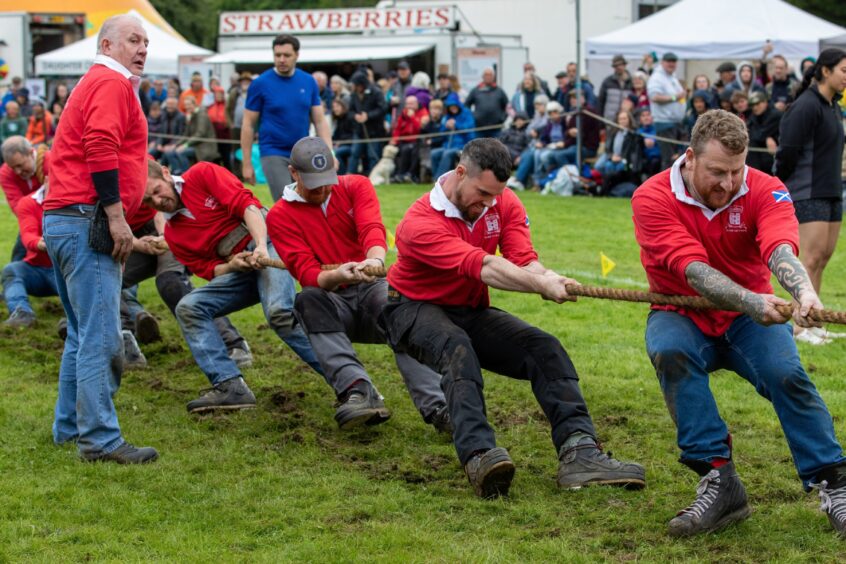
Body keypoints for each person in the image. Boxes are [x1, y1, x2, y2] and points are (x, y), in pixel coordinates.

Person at [381, 138, 646, 498]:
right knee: (456, 348)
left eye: (496, 195)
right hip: (411, 307)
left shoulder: (502, 200)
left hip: (467, 307)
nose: (490, 203)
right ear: (460, 173)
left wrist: (548, 277)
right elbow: (486, 267)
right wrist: (539, 285)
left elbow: (523, 258)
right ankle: (479, 456)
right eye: (482, 193)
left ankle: (580, 452)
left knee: (543, 347)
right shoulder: (419, 223)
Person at [632, 109, 846, 537]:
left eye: (736, 170)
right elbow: (691, 270)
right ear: (689, 157)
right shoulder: (651, 197)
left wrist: (803, 291)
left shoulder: (766, 189)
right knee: (670, 352)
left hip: (752, 320)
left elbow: (780, 249)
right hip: (683, 313)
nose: (728, 183)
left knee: (785, 374)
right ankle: (719, 481)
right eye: (716, 171)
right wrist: (750, 300)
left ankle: (836, 483)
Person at [266, 137, 450, 431]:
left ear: (335, 166)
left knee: (397, 308)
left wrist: (374, 261)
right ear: (294, 173)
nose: (324, 189)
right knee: (307, 300)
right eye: (314, 183)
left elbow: (372, 229)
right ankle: (358, 391)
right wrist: (340, 275)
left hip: (372, 285)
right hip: (333, 298)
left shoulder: (356, 186)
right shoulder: (279, 216)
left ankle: (440, 407)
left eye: (327, 180)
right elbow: (307, 273)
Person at [42, 14, 158, 464]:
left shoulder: (98, 81)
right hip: (84, 218)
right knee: (101, 338)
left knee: (80, 333)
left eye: (146, 41)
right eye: (133, 39)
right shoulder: (111, 83)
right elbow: (100, 146)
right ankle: (100, 439)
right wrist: (115, 216)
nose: (142, 48)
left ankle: (69, 428)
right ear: (107, 45)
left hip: (64, 217)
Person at [142, 159, 322, 412]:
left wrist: (259, 246)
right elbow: (210, 270)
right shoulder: (173, 234)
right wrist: (233, 265)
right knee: (189, 307)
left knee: (280, 313)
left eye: (157, 191)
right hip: (242, 267)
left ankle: (350, 383)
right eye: (149, 201)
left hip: (271, 242)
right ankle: (230, 386)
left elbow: (247, 206)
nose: (157, 202)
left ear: (166, 173)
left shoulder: (202, 174)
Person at [120, 200, 254, 371]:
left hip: (165, 227)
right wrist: (139, 245)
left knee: (171, 283)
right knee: (104, 280)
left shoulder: (134, 174)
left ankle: (231, 343)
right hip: (126, 237)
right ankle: (125, 346)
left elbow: (159, 201)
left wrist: (163, 236)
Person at [774, 48, 846, 345]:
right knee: (809, 260)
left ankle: (814, 323)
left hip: (831, 191)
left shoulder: (832, 106)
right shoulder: (806, 105)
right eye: (844, 70)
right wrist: (785, 184)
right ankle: (799, 328)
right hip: (807, 191)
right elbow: (787, 150)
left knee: (822, 259)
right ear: (825, 70)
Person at [240, 34, 332, 201]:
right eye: (277, 55)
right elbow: (248, 124)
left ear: (297, 55)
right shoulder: (260, 83)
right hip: (272, 151)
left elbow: (319, 120)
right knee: (286, 201)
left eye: (287, 55)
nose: (281, 59)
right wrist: (247, 163)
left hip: (303, 152)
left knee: (311, 199)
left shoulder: (308, 81)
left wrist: (330, 151)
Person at [2, 186, 58, 327]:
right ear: (45, 178)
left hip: (65, 270)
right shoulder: (28, 202)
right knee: (12, 270)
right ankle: (22, 313)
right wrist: (39, 243)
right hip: (36, 269)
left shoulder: (76, 201)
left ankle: (75, 322)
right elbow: (27, 235)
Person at [647, 52, 686, 170]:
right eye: (668, 61)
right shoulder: (657, 77)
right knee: (669, 160)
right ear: (662, 62)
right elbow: (654, 97)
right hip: (665, 124)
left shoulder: (671, 76)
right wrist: (675, 97)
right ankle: (666, 187)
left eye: (674, 61)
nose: (671, 64)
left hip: (675, 124)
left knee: (677, 159)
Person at [162, 96, 218, 175]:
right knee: (170, 152)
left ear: (195, 104)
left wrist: (186, 145)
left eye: (189, 104)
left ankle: (187, 174)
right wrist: (175, 145)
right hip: (195, 145)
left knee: (181, 152)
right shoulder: (191, 115)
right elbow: (186, 135)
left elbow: (200, 134)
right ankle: (176, 172)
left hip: (204, 147)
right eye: (185, 105)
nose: (187, 107)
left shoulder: (201, 115)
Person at [347, 71, 387, 176]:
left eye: (356, 85)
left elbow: (383, 109)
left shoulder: (376, 92)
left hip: (374, 131)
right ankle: (349, 176)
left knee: (372, 155)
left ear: (362, 84)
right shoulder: (354, 95)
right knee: (354, 154)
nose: (355, 87)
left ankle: (373, 177)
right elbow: (350, 111)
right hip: (359, 131)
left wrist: (368, 116)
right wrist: (355, 116)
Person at [430, 93, 475, 179]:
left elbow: (469, 130)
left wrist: (456, 125)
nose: (452, 108)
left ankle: (439, 179)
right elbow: (442, 134)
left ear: (458, 105)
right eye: (450, 106)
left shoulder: (467, 113)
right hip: (448, 145)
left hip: (463, 146)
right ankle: (435, 178)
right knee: (434, 153)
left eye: (454, 105)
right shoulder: (447, 117)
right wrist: (446, 127)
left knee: (447, 154)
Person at [389, 96, 428, 183]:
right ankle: (400, 175)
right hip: (403, 141)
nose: (409, 106)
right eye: (407, 104)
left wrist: (412, 117)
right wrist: (394, 139)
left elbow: (419, 129)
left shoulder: (423, 113)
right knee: (401, 149)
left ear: (417, 104)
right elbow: (397, 129)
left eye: (411, 104)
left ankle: (409, 174)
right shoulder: (403, 114)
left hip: (417, 141)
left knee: (408, 150)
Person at [464, 68, 509, 138]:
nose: (488, 77)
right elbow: (466, 105)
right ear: (482, 77)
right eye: (486, 75)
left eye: (490, 75)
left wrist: (502, 118)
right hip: (479, 129)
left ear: (493, 77)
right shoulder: (476, 90)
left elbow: (508, 107)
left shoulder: (499, 91)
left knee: (496, 148)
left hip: (496, 129)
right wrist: (473, 117)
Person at [746, 91, 781, 174]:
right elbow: (750, 134)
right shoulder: (754, 116)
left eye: (758, 104)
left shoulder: (775, 115)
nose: (755, 107)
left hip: (772, 155)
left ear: (765, 102)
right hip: (761, 155)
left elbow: (759, 136)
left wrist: (765, 137)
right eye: (752, 105)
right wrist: (767, 137)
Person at [598, 54, 634, 124]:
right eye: (616, 66)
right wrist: (601, 124)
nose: (618, 67)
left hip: (627, 121)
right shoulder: (607, 81)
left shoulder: (632, 82)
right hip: (610, 121)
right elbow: (600, 103)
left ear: (625, 65)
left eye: (620, 65)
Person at [206, 87, 230, 169]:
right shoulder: (210, 107)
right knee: (215, 158)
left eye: (220, 94)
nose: (218, 96)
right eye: (217, 94)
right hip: (213, 136)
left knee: (226, 157)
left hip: (225, 136)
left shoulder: (228, 107)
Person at [331, 98, 355, 174]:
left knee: (335, 152)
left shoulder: (349, 117)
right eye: (334, 107)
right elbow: (336, 135)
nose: (335, 109)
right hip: (341, 145)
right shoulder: (338, 119)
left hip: (351, 145)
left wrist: (340, 142)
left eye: (337, 106)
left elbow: (352, 135)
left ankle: (342, 175)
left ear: (343, 106)